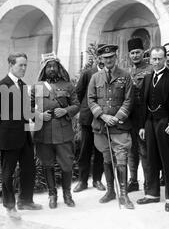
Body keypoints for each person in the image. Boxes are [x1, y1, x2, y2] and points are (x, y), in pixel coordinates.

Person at [0, 52, 43, 220]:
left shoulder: (22, 85)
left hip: (25, 135)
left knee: (29, 168)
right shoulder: (1, 86)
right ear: (11, 65)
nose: (23, 68)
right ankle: (10, 206)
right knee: (8, 172)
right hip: (8, 137)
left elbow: (25, 113)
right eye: (20, 65)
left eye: (25, 65)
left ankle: (25, 200)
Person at [137, 46, 169, 212]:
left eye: (160, 58)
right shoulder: (146, 78)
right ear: (150, 59)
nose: (157, 62)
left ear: (166, 58)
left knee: (168, 160)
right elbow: (143, 104)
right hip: (150, 123)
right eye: (154, 58)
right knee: (151, 158)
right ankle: (152, 194)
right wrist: (142, 126)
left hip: (166, 123)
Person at [87, 44, 134, 209]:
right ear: (101, 59)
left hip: (119, 126)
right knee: (107, 158)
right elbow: (91, 100)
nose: (108, 60)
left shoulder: (125, 76)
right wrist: (103, 115)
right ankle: (110, 191)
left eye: (111, 57)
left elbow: (129, 100)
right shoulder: (95, 77)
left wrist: (116, 117)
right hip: (101, 126)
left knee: (121, 157)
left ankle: (124, 194)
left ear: (116, 57)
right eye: (105, 58)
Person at [31, 53, 80, 208]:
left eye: (54, 66)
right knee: (47, 164)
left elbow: (77, 105)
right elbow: (28, 108)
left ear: (59, 68)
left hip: (63, 132)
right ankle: (52, 195)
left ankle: (67, 194)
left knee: (67, 165)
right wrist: (38, 115)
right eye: (48, 66)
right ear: (44, 69)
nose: (51, 69)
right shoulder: (37, 87)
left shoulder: (68, 86)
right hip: (43, 132)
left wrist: (66, 111)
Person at [73, 47, 105, 193]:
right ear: (97, 58)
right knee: (85, 149)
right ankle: (82, 180)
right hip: (87, 118)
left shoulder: (111, 73)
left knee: (100, 149)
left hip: (103, 118)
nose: (103, 59)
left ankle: (97, 179)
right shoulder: (87, 73)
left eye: (106, 56)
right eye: (101, 56)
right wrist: (82, 110)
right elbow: (78, 93)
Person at [127, 38, 152, 193]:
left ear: (143, 52)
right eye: (132, 53)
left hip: (144, 115)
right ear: (129, 55)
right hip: (130, 116)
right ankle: (133, 180)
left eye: (137, 52)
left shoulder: (150, 70)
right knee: (131, 149)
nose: (135, 55)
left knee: (144, 150)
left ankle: (148, 183)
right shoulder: (126, 72)